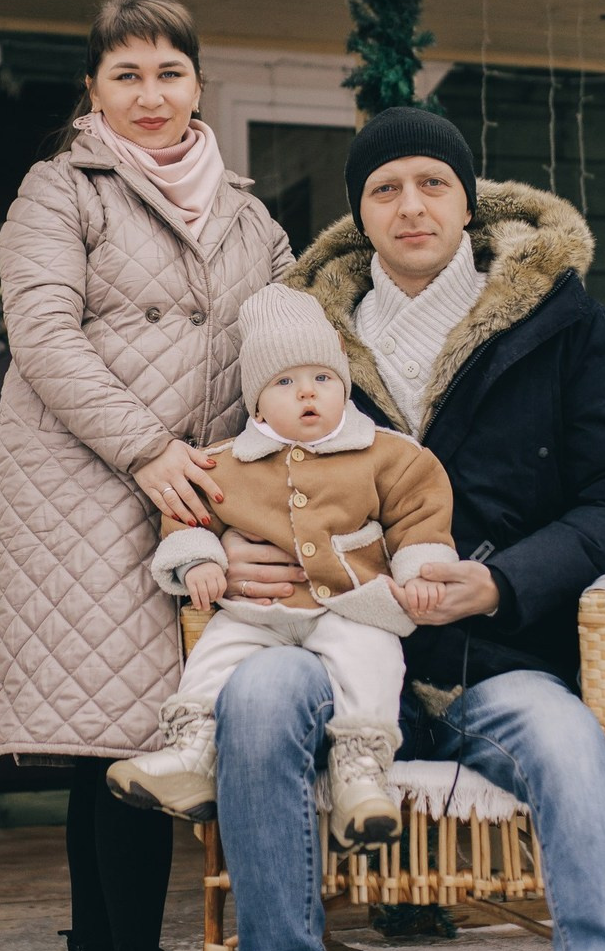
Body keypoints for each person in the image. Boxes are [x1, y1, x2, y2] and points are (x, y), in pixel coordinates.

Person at [213, 107, 605, 951]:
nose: (410, 205)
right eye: (384, 189)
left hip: (493, 663)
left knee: (568, 740)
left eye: (433, 184)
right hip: (330, 650)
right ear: (361, 214)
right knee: (258, 696)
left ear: (469, 203)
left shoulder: (562, 325)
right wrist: (232, 543)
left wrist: (503, 583)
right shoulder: (304, 337)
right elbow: (237, 462)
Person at [0, 0, 291, 951]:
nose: (150, 94)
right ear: (94, 88)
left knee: (166, 728)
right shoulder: (58, 189)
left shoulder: (250, 214)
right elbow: (44, 337)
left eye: (168, 71)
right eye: (127, 74)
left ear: (197, 83)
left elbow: (289, 345)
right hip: (81, 490)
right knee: (112, 733)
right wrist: (147, 446)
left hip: (203, 495)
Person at [105, 283, 457, 849]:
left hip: (352, 607)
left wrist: (420, 574)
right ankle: (192, 753)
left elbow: (420, 518)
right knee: (217, 652)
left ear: (343, 385)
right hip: (257, 613)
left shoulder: (388, 454)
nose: (307, 394)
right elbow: (187, 519)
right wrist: (199, 561)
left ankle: (361, 777)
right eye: (285, 383)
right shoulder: (223, 463)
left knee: (372, 660)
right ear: (256, 403)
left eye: (322, 379)